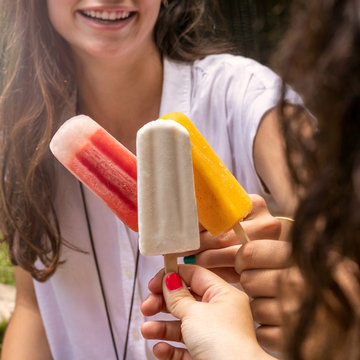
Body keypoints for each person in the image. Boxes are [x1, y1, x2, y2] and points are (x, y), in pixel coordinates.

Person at [0, 0, 299, 359]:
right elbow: (33, 309)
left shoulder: (243, 94)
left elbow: (339, 228)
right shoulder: (18, 134)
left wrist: (310, 263)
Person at [141, 0, 360, 359]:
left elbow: (332, 220)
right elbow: (32, 309)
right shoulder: (31, 140)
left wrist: (330, 278)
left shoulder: (244, 91)